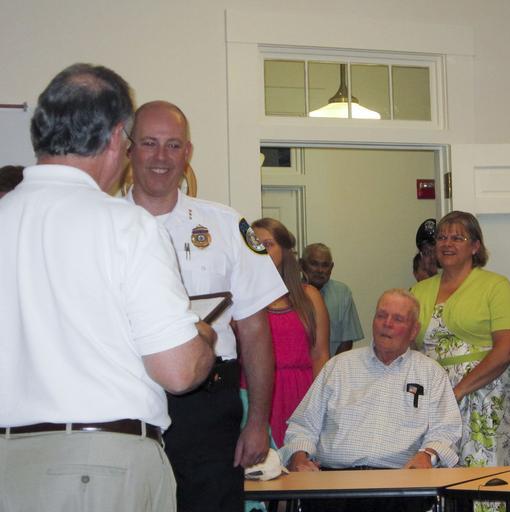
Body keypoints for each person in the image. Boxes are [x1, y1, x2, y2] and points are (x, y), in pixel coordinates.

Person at [0, 64, 217, 511]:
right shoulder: (124, 225)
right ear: (118, 137)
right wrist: (203, 339)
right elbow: (178, 371)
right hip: (100, 466)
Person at [126, 100, 287, 512]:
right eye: (149, 143)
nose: (161, 157)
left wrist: (257, 422)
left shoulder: (226, 226)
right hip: (126, 403)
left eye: (173, 145)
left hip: (209, 409)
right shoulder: (102, 227)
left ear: (188, 152)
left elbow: (254, 330)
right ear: (129, 149)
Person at [280, 288, 462, 512]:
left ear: (414, 330)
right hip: (334, 485)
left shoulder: (430, 373)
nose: (387, 324)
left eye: (398, 319)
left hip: (400, 487)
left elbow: (446, 430)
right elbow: (303, 425)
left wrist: (427, 455)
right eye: (381, 315)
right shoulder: (339, 366)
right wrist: (299, 457)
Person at [410, 211, 510, 505]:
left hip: (486, 396)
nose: (447, 243)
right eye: (442, 237)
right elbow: (409, 348)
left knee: (488, 482)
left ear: (475, 246)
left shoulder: (496, 286)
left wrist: (457, 391)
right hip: (435, 398)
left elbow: (509, 349)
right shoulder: (418, 290)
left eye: (458, 237)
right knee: (440, 481)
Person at [251, 218, 329, 447]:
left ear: (284, 250)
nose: (261, 251)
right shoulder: (242, 298)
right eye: (255, 244)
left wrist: (318, 406)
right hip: (258, 394)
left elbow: (320, 355)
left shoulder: (309, 297)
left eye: (268, 244)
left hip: (302, 393)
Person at [300, 243, 364, 355]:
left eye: (325, 265)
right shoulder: (288, 294)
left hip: (332, 363)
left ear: (331, 267)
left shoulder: (342, 293)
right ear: (301, 264)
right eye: (314, 264)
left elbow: (346, 341)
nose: (320, 270)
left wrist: (332, 366)